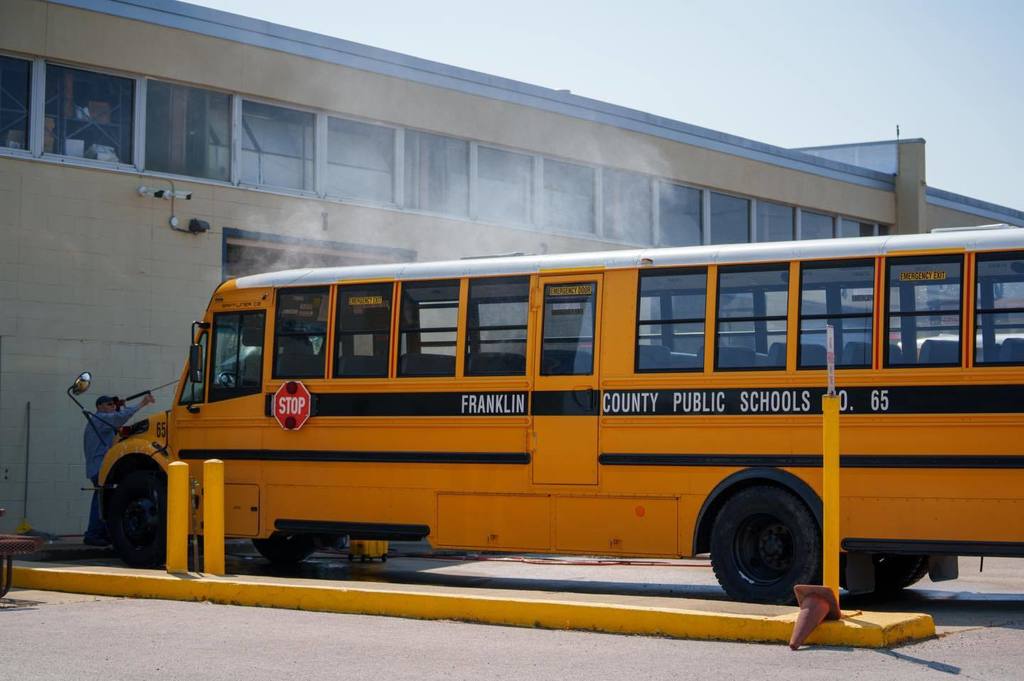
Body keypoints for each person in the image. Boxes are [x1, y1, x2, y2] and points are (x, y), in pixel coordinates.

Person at [82, 393, 156, 546]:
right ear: (99, 407)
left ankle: (99, 533)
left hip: (99, 467)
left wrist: (120, 407)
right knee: (100, 501)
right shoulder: (99, 419)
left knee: (102, 500)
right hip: (99, 467)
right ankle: (94, 534)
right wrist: (142, 403)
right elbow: (119, 418)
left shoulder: (102, 422)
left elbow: (117, 422)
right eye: (109, 405)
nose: (113, 407)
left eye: (113, 404)